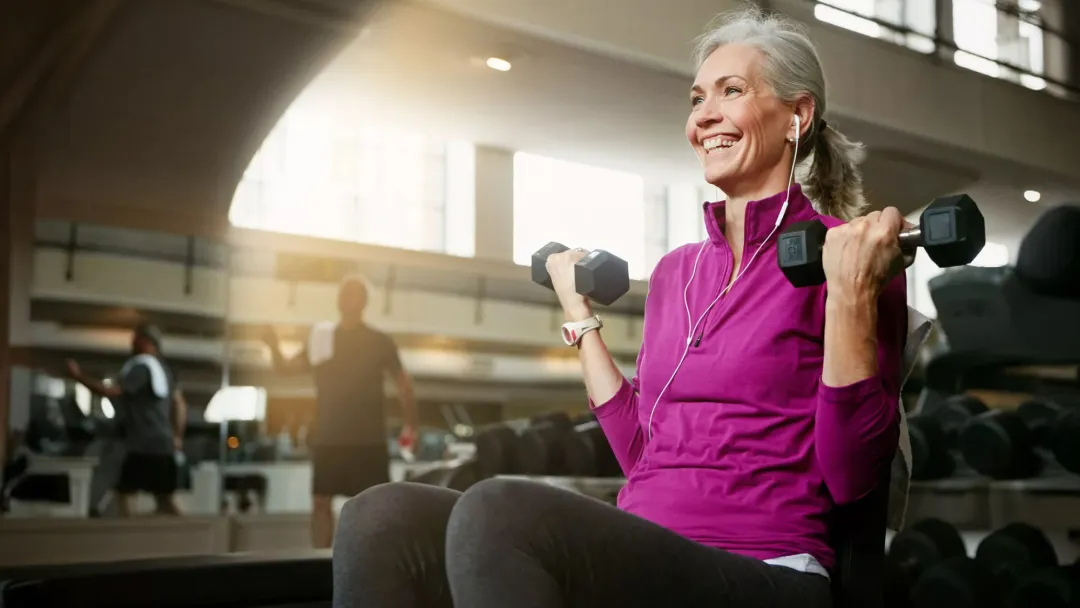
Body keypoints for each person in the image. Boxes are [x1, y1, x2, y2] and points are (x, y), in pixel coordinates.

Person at [331, 8, 913, 607]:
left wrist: (850, 294)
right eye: (696, 99)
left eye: (731, 91)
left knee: (498, 510)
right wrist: (578, 315)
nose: (704, 115)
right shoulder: (675, 274)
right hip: (650, 547)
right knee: (381, 516)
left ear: (798, 114)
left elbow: (851, 479)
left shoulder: (846, 258)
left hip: (766, 567)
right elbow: (642, 457)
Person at [263, 274, 418, 549]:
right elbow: (286, 369)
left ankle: (375, 560)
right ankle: (320, 563)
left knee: (376, 505)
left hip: (368, 440)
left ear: (364, 302)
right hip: (329, 438)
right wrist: (273, 345)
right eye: (343, 292)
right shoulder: (322, 338)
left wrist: (411, 426)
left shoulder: (379, 341)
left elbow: (404, 385)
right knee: (320, 502)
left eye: (354, 293)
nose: (347, 297)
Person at [68, 322, 187, 516]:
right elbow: (180, 405)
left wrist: (78, 376)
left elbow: (112, 391)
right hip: (163, 444)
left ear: (147, 342)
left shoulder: (141, 367)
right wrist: (177, 436)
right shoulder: (164, 370)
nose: (132, 342)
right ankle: (190, 535)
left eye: (136, 338)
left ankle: (130, 538)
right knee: (166, 499)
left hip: (143, 444)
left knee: (125, 495)